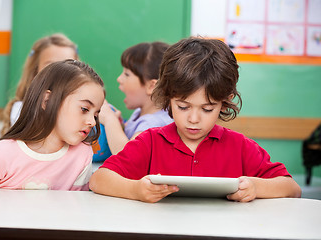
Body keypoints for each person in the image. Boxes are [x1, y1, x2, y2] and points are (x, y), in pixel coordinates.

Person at [89, 37, 302, 203]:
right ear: (167, 97)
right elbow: (99, 180)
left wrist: (256, 187)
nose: (193, 119)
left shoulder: (240, 147)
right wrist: (135, 190)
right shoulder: (151, 142)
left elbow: (291, 188)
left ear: (224, 102)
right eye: (183, 106)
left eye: (207, 109)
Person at [0, 60, 105, 190]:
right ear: (47, 101)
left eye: (96, 115)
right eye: (84, 109)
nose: (92, 122)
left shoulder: (82, 155)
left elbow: (79, 209)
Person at [99, 41, 173, 155]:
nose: (119, 79)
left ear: (151, 86)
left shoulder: (154, 125)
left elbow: (129, 156)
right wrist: (120, 128)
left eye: (127, 74)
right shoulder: (139, 112)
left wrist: (110, 120)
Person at [1, 33, 79, 135]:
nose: (59, 72)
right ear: (35, 71)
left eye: (68, 65)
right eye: (50, 65)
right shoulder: (22, 109)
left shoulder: (85, 106)